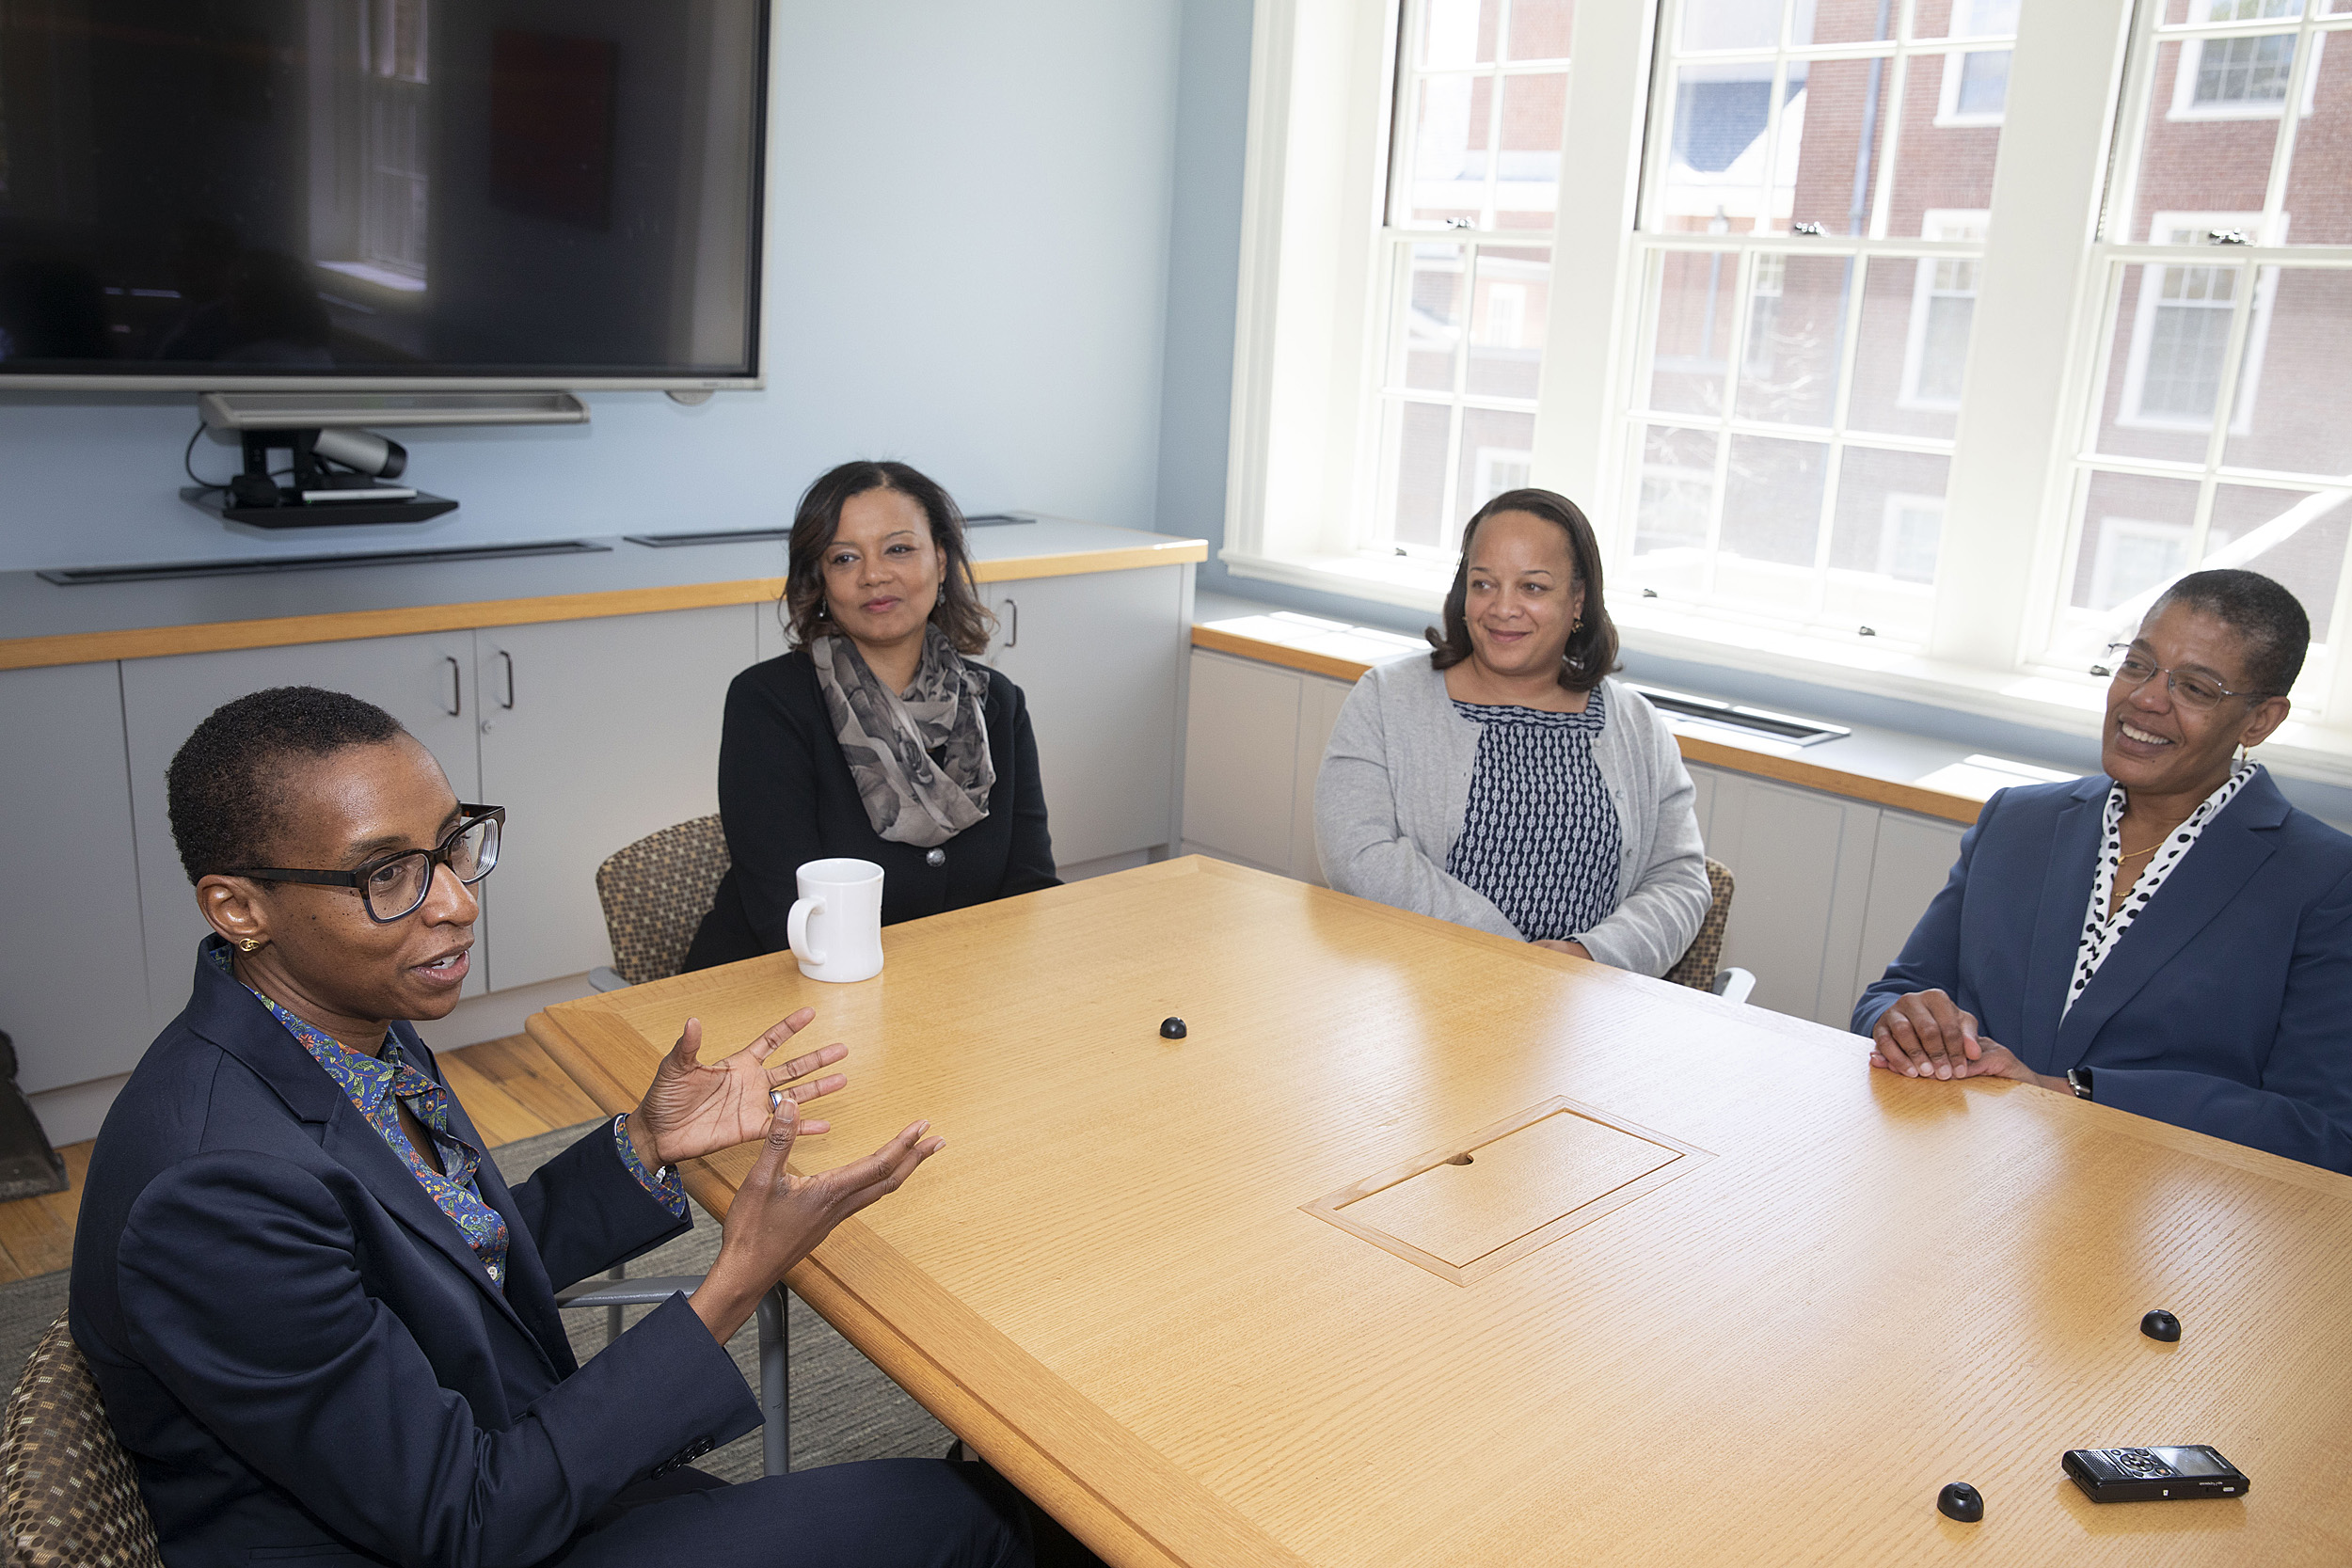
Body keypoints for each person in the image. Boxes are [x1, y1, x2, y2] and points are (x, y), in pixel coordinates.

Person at [69, 686, 1060, 1567]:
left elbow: (445, 1259)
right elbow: (465, 1521)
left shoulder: (335, 1022)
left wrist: (643, 1142)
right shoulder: (213, 1189)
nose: (455, 903)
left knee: (984, 1488)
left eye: (452, 846)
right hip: (462, 1524)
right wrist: (733, 1282)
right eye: (386, 875)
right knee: (976, 1512)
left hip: (496, 1465)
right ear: (239, 906)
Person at [1854, 569, 2352, 1175]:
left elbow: (2320, 1129)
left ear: (2260, 721)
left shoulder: (2324, 879)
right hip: (1961, 1174)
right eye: (2137, 664)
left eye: (2194, 688)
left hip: (2170, 1227)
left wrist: (2070, 1091)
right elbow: (1893, 993)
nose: (2145, 698)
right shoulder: (2017, 820)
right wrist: (1905, 1020)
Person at [1314, 487, 1711, 974]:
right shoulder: (1386, 699)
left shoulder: (1637, 726)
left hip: (1588, 1012)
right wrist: (1509, 957)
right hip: (1413, 1002)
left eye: (1533, 587)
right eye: (1483, 584)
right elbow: (1358, 855)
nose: (1503, 608)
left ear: (1578, 601)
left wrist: (1586, 956)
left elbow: (1679, 879)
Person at [685, 461, 1057, 972]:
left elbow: (1029, 891)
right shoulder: (768, 704)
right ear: (821, 580)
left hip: (959, 1002)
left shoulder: (997, 704)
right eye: (844, 558)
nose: (874, 575)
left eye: (899, 549)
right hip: (782, 1003)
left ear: (942, 560)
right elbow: (787, 922)